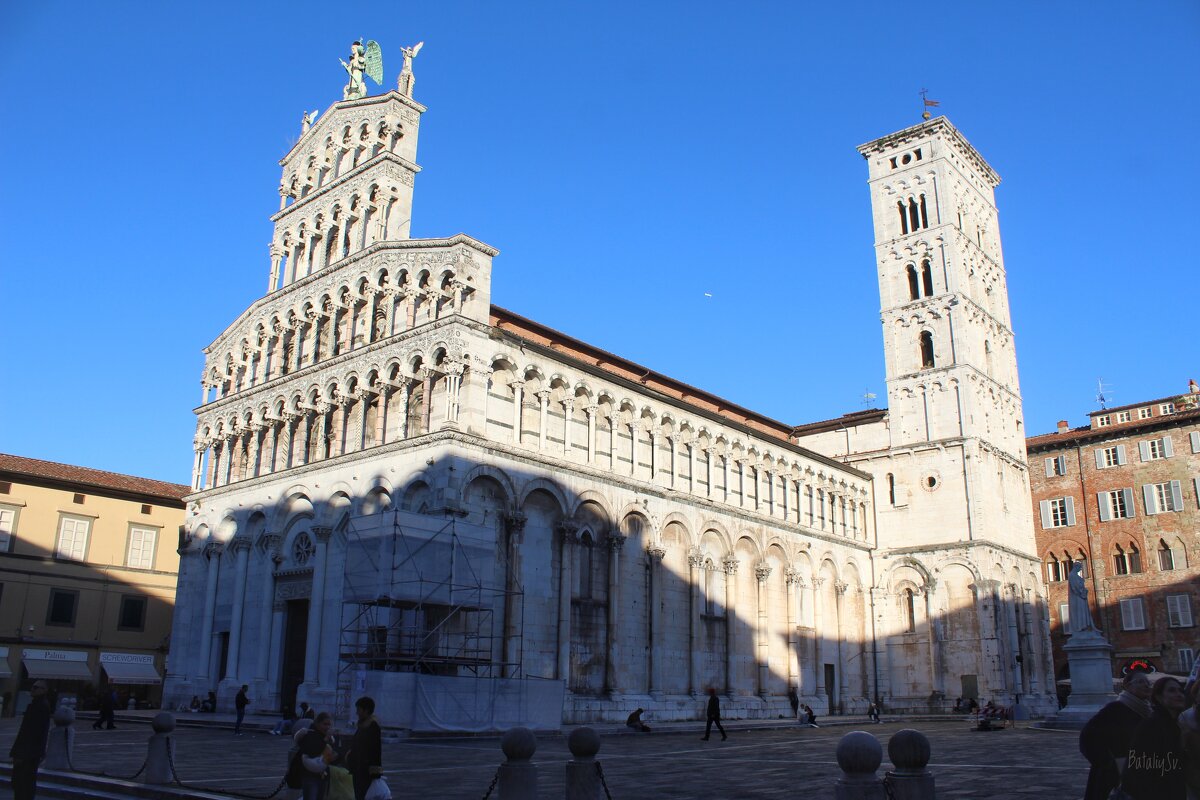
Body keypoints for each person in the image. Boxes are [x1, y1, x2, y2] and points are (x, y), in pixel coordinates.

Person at [1079, 670, 1153, 800]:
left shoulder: (1148, 712)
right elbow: (1087, 736)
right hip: (1113, 777)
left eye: (1148, 682)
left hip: (1140, 774)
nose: (1146, 685)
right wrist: (1108, 764)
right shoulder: (1115, 709)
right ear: (1128, 686)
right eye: (1141, 682)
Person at [1121, 676, 1188, 799]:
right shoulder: (1152, 725)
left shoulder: (1174, 724)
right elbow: (1141, 769)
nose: (1179, 694)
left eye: (1180, 691)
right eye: (1172, 690)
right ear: (1159, 697)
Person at [10, 681, 52, 800]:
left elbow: (31, 732)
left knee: (23, 783)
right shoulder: (37, 705)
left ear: (44, 690)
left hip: (28, 753)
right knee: (22, 783)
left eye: (36, 687)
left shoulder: (40, 706)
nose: (32, 689)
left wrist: (20, 753)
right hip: (30, 751)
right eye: (32, 687)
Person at [288, 711, 336, 800]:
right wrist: (325, 740)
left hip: (322, 775)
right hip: (309, 776)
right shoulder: (309, 734)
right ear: (317, 723)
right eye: (325, 724)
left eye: (329, 724)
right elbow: (312, 752)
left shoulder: (327, 736)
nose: (327, 727)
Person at [346, 696, 382, 800]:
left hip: (365, 771)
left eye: (358, 709)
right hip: (358, 769)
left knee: (363, 796)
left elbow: (375, 750)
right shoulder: (362, 725)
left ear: (366, 710)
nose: (357, 712)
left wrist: (375, 773)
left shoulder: (372, 726)